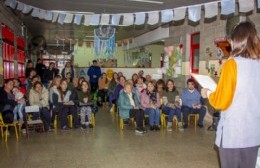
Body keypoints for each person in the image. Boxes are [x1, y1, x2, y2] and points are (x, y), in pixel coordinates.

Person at [201, 21, 260, 168]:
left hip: (234, 133)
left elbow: (221, 102)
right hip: (254, 133)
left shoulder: (232, 64)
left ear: (236, 41)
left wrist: (208, 93)